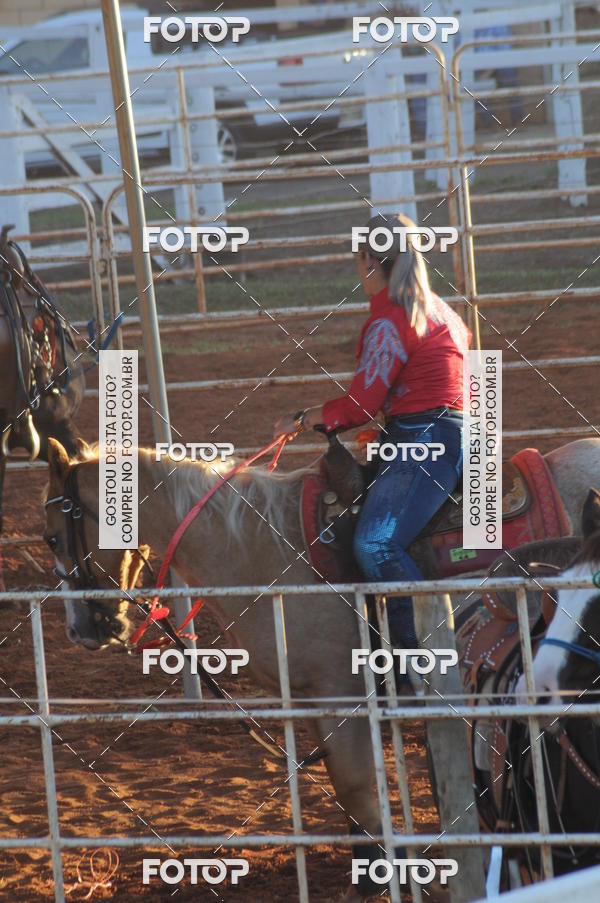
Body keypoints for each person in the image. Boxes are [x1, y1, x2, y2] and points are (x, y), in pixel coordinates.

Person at [274, 213, 471, 648]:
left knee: (375, 545)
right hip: (447, 436)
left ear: (367, 259)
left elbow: (359, 405)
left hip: (425, 442)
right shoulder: (443, 312)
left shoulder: (390, 321)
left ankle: (423, 653)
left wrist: (304, 419)